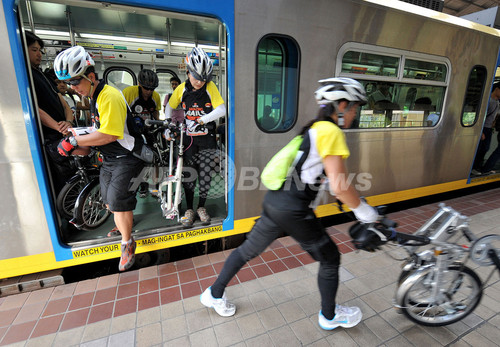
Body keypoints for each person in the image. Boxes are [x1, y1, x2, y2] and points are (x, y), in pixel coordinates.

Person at [200, 78, 379, 331]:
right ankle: (329, 316)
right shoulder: (331, 131)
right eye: (354, 109)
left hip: (275, 202)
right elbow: (339, 184)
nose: (353, 115)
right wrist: (365, 212)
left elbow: (316, 174)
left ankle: (214, 293)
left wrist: (339, 194)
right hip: (294, 209)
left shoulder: (313, 129)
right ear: (341, 105)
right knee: (330, 258)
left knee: (247, 251)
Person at [53, 46, 145, 271]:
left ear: (91, 77)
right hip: (111, 156)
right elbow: (98, 128)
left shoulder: (109, 96)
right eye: (69, 84)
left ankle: (127, 243)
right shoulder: (94, 95)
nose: (73, 88)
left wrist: (74, 142)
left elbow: (110, 133)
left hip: (127, 156)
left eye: (76, 82)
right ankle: (122, 223)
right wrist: (76, 134)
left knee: (116, 199)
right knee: (107, 199)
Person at [165, 47, 226, 227]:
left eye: (204, 78)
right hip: (188, 140)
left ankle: (201, 207)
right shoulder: (182, 89)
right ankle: (189, 209)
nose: (200, 82)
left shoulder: (210, 87)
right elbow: (170, 105)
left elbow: (222, 109)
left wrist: (202, 119)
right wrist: (169, 123)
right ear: (188, 71)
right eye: (197, 77)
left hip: (206, 138)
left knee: (205, 174)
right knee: (188, 175)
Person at [25, 31, 75, 194]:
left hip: (62, 132)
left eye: (40, 50)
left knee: (71, 176)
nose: (39, 54)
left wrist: (68, 123)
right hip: (51, 137)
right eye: (34, 50)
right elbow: (34, 108)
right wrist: (58, 127)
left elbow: (65, 104)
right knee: (62, 182)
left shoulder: (42, 75)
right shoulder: (26, 76)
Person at [123, 69, 161, 197]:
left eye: (152, 89)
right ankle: (141, 186)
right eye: (146, 88)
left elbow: (156, 113)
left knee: (154, 159)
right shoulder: (129, 93)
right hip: (133, 132)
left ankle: (155, 186)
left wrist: (159, 124)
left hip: (149, 131)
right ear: (139, 84)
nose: (149, 91)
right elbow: (122, 113)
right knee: (135, 160)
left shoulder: (155, 97)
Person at [472, 82, 500, 175]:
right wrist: (481, 131)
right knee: (480, 149)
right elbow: (481, 116)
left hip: (488, 129)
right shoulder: (489, 101)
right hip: (484, 128)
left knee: (485, 149)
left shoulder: (497, 102)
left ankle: (478, 167)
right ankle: (474, 168)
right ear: (497, 89)